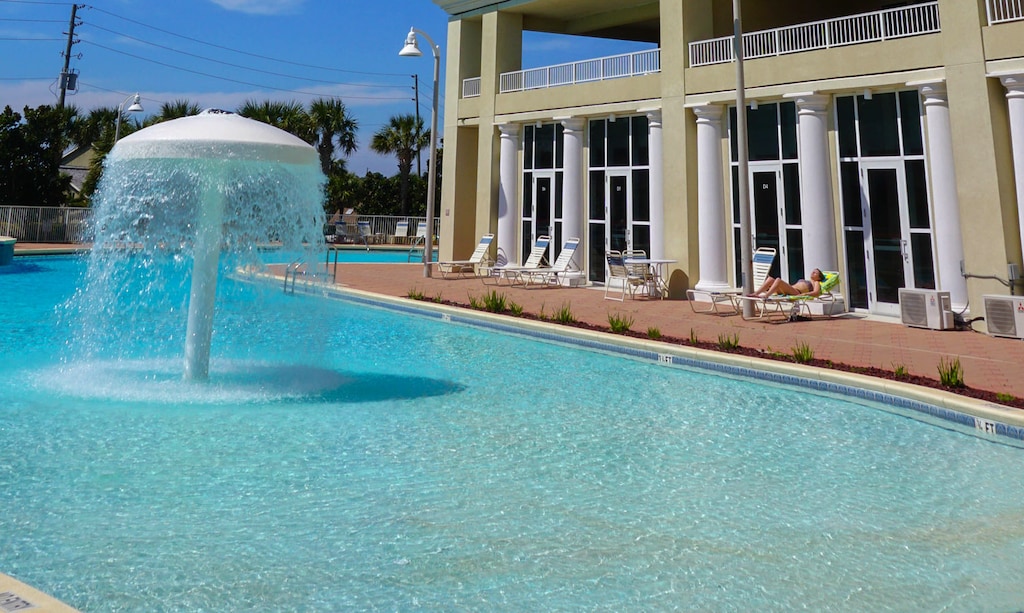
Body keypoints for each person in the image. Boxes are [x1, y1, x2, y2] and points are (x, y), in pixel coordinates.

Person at [748, 268, 824, 299]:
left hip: (796, 292)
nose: (813, 272)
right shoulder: (807, 280)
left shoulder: (816, 282)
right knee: (770, 279)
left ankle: (766, 296)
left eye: (815, 273)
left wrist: (805, 294)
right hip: (789, 290)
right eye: (813, 271)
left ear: (819, 277)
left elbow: (816, 292)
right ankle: (756, 293)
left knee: (778, 280)